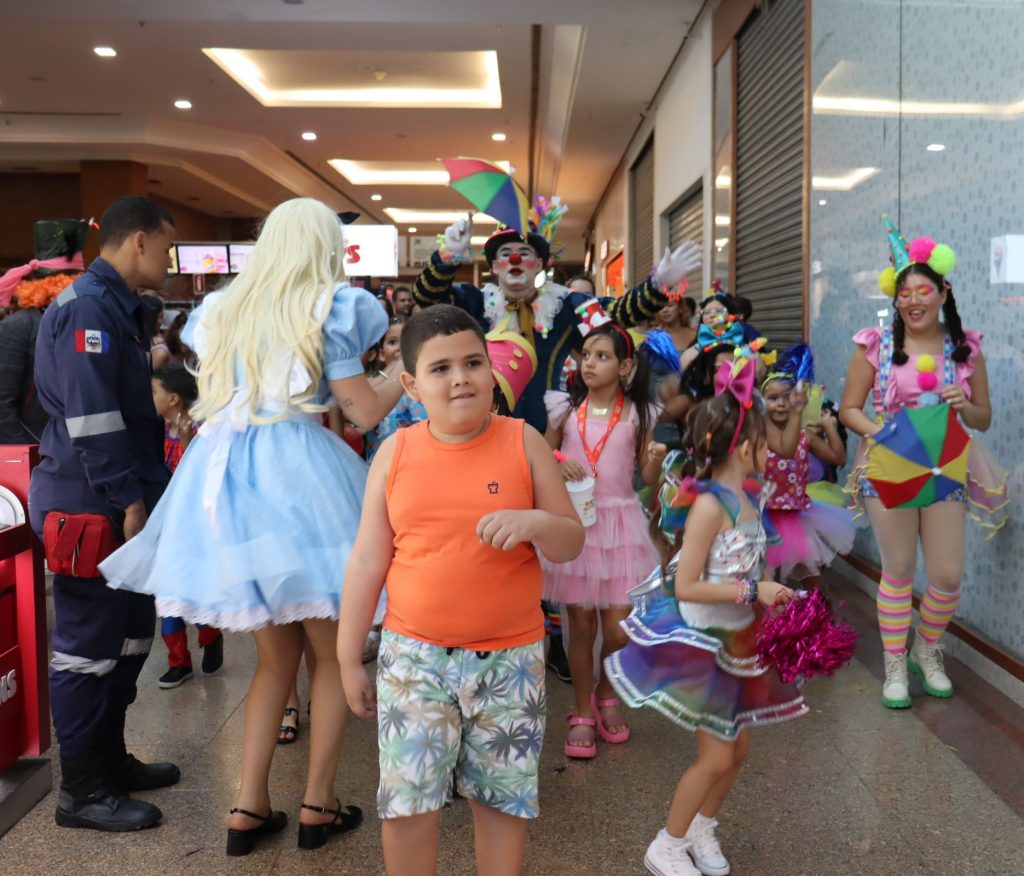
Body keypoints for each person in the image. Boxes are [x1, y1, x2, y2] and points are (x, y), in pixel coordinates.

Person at [100, 198, 407, 854]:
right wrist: (400, 380)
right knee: (333, 653)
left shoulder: (221, 310)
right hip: (304, 478)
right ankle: (319, 804)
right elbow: (358, 412)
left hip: (226, 480)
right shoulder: (335, 307)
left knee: (272, 662)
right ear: (322, 247)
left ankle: (248, 806)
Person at [338, 304, 585, 876]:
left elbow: (569, 539)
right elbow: (367, 560)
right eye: (441, 368)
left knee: (501, 802)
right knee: (406, 805)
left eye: (473, 363)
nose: (461, 379)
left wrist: (535, 522)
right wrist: (348, 656)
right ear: (411, 385)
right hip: (413, 659)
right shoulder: (395, 453)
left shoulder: (523, 441)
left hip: (511, 662)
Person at [605, 357, 806, 876]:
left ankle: (701, 829)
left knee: (737, 753)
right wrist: (751, 588)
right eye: (765, 441)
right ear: (743, 447)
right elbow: (684, 581)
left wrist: (773, 597)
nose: (771, 451)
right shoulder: (710, 506)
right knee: (715, 757)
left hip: (738, 635)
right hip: (702, 639)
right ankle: (666, 846)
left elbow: (749, 567)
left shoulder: (749, 497)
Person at [28, 197, 179, 831]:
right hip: (95, 503)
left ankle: (110, 762)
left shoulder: (120, 309)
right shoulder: (89, 308)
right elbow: (93, 420)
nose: (170, 262)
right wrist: (131, 499)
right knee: (88, 651)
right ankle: (82, 791)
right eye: (168, 248)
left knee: (127, 641)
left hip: (122, 498)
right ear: (139, 242)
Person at [839, 217, 1006, 709]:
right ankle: (894, 665)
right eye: (903, 292)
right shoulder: (876, 345)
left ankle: (926, 650)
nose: (912, 301)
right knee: (898, 568)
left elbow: (985, 417)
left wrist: (962, 403)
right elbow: (849, 409)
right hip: (888, 466)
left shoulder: (966, 349)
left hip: (947, 466)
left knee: (948, 574)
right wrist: (882, 434)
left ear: (943, 292)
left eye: (922, 291)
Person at [413, 211, 700, 432]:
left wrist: (658, 284)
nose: (515, 258)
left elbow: (620, 313)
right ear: (493, 266)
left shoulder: (567, 305)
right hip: (486, 426)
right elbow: (428, 300)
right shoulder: (476, 303)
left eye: (525, 253)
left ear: (538, 264)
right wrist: (447, 256)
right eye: (505, 254)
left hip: (553, 430)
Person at [542, 311, 662, 758]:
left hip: (620, 524)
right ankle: (583, 710)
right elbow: (539, 447)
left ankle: (606, 690)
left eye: (602, 356)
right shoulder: (564, 407)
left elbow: (645, 475)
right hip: (576, 523)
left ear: (625, 368)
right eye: (587, 355)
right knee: (581, 624)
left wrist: (656, 456)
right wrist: (557, 458)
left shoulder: (639, 412)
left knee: (618, 626)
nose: (589, 363)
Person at [150, 364, 224, 688]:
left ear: (175, 398)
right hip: (168, 522)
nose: (149, 397)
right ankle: (178, 661)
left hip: (193, 524)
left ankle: (210, 636)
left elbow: (191, 473)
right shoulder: (154, 428)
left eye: (154, 391)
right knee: (168, 592)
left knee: (193, 587)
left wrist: (184, 438)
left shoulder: (201, 429)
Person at [760, 349, 855, 589]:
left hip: (796, 517)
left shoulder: (805, 436)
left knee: (813, 580)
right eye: (773, 398)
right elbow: (785, 449)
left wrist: (828, 427)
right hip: (765, 517)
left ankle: (820, 620)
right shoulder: (759, 433)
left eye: (788, 398)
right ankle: (768, 622)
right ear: (762, 401)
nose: (781, 404)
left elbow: (838, 457)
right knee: (765, 576)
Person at [0, 219, 89, 444]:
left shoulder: (83, 323)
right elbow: (2, 403)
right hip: (35, 453)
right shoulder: (18, 326)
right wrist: (29, 452)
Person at [363, 317, 428, 461]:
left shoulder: (429, 387)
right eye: (393, 342)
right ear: (380, 354)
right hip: (383, 473)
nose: (401, 347)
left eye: (408, 341)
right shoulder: (370, 386)